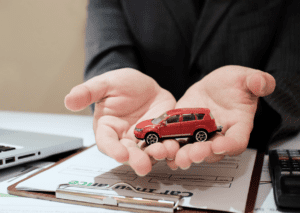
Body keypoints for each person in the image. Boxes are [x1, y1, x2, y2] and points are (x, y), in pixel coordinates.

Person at [64, 0, 300, 176]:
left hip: (260, 153)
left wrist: (253, 103)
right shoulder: (158, 126)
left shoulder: (193, 123)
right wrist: (113, 89)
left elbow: (294, 74)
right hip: (148, 170)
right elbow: (109, 55)